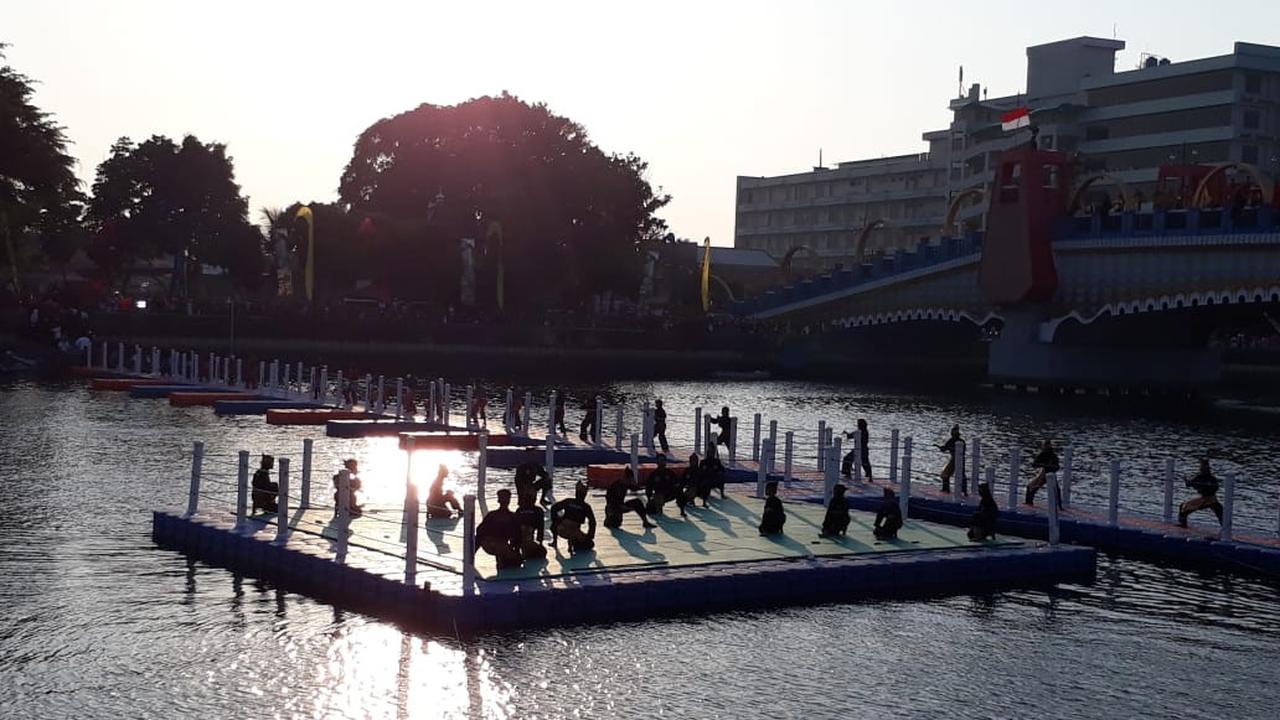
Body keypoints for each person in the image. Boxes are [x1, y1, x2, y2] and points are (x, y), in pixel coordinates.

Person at [474, 489, 522, 569]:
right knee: (503, 548)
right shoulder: (492, 515)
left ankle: (505, 558)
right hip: (491, 544)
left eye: (506, 498)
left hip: (499, 544)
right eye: (504, 498)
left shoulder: (512, 516)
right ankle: (502, 558)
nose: (505, 501)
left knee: (516, 561)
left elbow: (518, 535)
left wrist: (515, 550)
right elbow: (479, 532)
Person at [549, 482, 597, 553]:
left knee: (556, 523)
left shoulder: (568, 501)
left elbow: (554, 508)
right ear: (585, 495)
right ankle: (574, 543)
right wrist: (589, 536)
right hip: (574, 533)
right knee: (590, 544)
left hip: (561, 529)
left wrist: (556, 520)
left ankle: (555, 541)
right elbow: (592, 522)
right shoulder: (586, 507)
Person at [1178, 459, 1224, 528]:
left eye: (1204, 467)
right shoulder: (1198, 477)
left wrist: (1207, 487)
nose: (1202, 469)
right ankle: (1183, 525)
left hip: (1212, 499)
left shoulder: (1211, 478)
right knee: (1183, 506)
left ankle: (1225, 527)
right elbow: (1190, 484)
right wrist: (1187, 482)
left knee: (1220, 510)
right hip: (1203, 498)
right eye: (1201, 467)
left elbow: (1215, 488)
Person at [1025, 439, 1061, 507]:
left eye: (1046, 445)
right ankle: (1029, 503)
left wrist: (1046, 466)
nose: (1045, 447)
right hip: (1043, 474)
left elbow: (1056, 466)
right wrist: (1043, 466)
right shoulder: (1042, 454)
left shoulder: (1052, 455)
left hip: (1050, 475)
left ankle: (1059, 506)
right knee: (1030, 487)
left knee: (1056, 491)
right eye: (1045, 446)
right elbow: (1034, 464)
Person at [514, 490, 548, 560]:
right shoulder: (520, 510)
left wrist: (540, 542)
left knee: (541, 552)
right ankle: (524, 550)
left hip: (526, 536)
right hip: (522, 536)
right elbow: (515, 527)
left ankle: (526, 549)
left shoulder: (537, 510)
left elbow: (540, 527)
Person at [937, 425, 962, 494]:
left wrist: (948, 448)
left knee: (945, 474)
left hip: (957, 459)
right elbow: (945, 448)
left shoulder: (959, 441)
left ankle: (946, 489)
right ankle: (946, 489)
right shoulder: (952, 440)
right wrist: (940, 447)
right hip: (954, 458)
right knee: (945, 473)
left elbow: (961, 451)